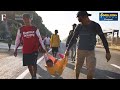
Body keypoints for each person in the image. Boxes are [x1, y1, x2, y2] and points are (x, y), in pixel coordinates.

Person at [65, 11, 111, 79]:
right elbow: (73, 38)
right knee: (78, 67)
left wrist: (107, 52)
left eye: (81, 20)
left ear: (86, 17)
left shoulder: (95, 25)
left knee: (91, 70)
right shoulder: (79, 26)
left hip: (90, 51)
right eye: (79, 21)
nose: (81, 22)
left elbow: (103, 38)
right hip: (80, 50)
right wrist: (67, 50)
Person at [14, 13, 47, 79]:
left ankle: (34, 76)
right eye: (25, 19)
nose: (26, 21)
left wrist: (43, 48)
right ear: (23, 20)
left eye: (28, 19)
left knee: (34, 63)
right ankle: (33, 76)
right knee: (29, 65)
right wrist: (15, 49)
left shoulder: (35, 29)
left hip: (34, 49)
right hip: (26, 50)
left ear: (30, 19)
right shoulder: (21, 29)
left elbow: (40, 39)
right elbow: (17, 39)